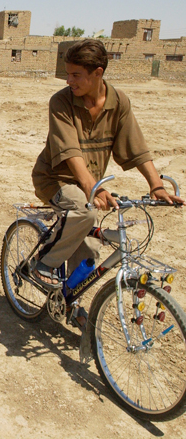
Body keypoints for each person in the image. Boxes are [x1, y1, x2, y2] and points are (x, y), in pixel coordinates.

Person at [30, 39, 184, 289]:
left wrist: (156, 186)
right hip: (54, 180)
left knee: (88, 259)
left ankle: (70, 305)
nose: (69, 81)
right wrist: (94, 189)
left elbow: (137, 148)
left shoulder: (119, 102)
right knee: (85, 211)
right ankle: (44, 262)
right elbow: (71, 153)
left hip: (90, 184)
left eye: (76, 75)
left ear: (98, 73)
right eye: (68, 74)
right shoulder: (61, 102)